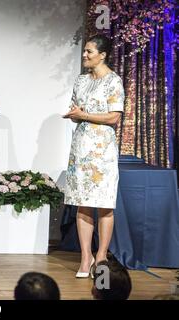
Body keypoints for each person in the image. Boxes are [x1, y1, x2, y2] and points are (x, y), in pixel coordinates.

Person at [63, 34, 125, 278]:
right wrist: (76, 114)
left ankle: (101, 256)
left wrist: (85, 115)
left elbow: (114, 117)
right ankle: (85, 257)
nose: (85, 55)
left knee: (104, 204)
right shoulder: (80, 81)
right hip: (81, 148)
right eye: (85, 51)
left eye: (89, 51)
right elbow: (75, 109)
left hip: (103, 151)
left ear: (103, 54)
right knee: (83, 203)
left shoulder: (113, 81)